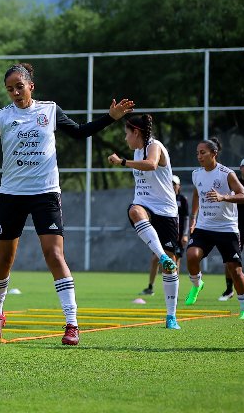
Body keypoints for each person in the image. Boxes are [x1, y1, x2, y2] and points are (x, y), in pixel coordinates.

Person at [0, 63, 134, 345]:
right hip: (11, 194)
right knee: (3, 260)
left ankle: (72, 323)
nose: (15, 93)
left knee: (54, 256)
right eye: (10, 89)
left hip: (45, 193)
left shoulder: (49, 110)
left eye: (19, 87)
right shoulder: (1, 116)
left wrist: (111, 117)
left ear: (31, 86)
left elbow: (81, 132)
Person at [106, 113, 182, 329]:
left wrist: (122, 161)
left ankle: (171, 316)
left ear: (136, 132)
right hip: (145, 205)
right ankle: (162, 257)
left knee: (170, 268)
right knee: (135, 211)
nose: (125, 139)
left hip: (167, 211)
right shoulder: (138, 150)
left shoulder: (154, 145)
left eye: (126, 134)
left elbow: (151, 164)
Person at [184, 139, 244, 319]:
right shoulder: (196, 174)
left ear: (214, 153)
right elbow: (197, 193)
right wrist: (194, 218)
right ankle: (197, 285)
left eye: (203, 152)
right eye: (197, 153)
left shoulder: (226, 174)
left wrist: (223, 197)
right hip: (204, 227)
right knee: (191, 255)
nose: (199, 156)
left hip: (226, 228)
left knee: (234, 269)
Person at [141, 175, 188, 296]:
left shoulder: (182, 199)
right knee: (155, 260)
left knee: (175, 260)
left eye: (174, 184)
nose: (172, 186)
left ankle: (173, 289)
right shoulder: (162, 198)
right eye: (170, 183)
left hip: (177, 235)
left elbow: (186, 218)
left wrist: (185, 234)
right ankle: (150, 287)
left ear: (178, 186)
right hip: (162, 234)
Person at [219, 156, 244, 301]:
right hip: (235, 225)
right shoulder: (235, 183)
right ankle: (229, 289)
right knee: (230, 259)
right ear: (241, 168)